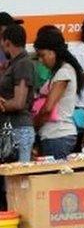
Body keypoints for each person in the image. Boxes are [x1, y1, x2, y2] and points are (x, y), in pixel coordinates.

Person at [33, 29, 84, 159]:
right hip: (54, 135)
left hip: (58, 135)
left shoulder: (64, 72)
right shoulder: (59, 72)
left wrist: (34, 125)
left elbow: (48, 108)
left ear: (53, 52)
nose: (41, 60)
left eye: (42, 55)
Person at [0, 24, 36, 162]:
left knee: (19, 180)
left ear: (7, 42)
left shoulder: (23, 64)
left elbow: (19, 103)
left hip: (18, 130)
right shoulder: (14, 64)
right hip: (10, 130)